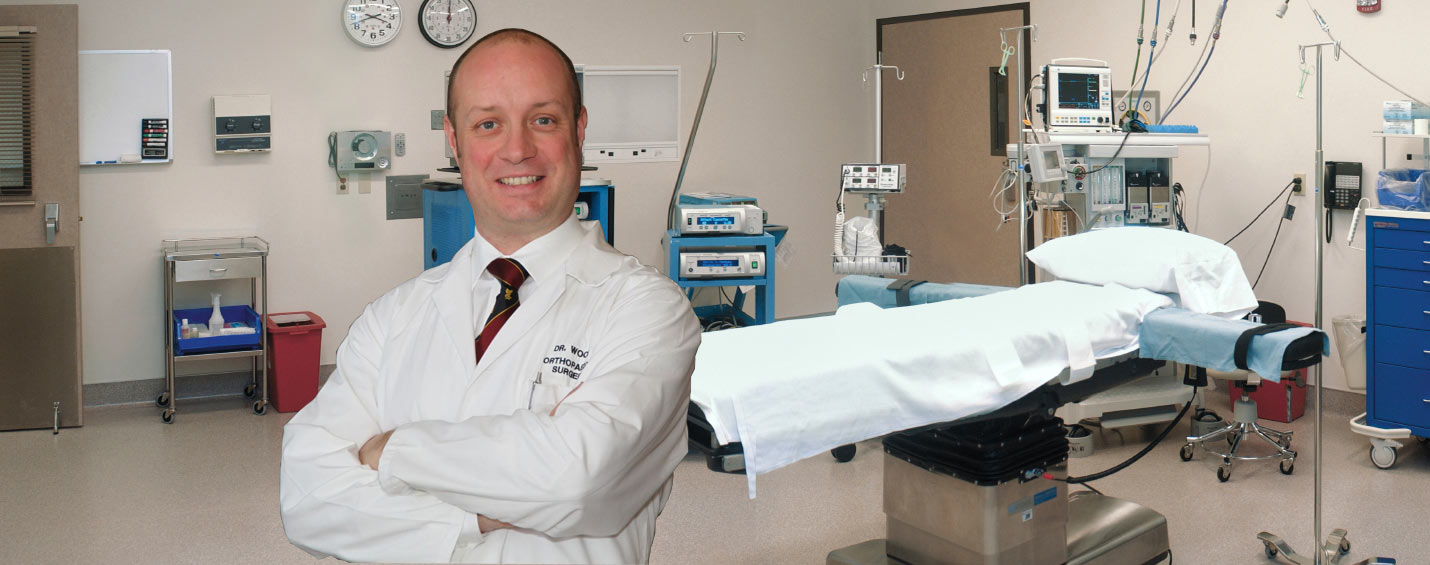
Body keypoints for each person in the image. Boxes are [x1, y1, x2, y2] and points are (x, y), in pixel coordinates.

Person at [279, 28, 701, 564]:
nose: (517, 149)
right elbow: (308, 499)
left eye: (543, 119)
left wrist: (391, 450)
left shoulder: (648, 310)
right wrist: (476, 516)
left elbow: (580, 482)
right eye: (488, 124)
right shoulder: (392, 318)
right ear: (454, 142)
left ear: (579, 128)